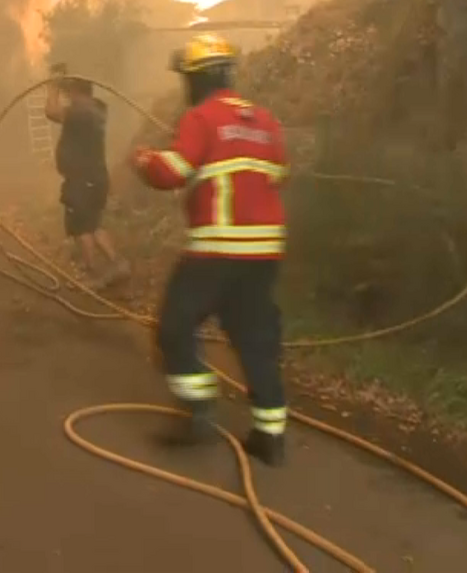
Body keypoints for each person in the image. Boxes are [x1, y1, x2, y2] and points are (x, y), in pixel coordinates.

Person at [130, 34, 289, 467]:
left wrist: (145, 161)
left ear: (197, 79)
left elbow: (173, 172)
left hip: (217, 251)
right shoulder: (266, 121)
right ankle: (270, 434)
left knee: (175, 329)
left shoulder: (201, 118)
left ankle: (199, 413)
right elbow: (277, 174)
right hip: (265, 253)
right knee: (255, 339)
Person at [45, 70, 130, 289]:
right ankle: (118, 264)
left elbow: (51, 112)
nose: (68, 97)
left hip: (81, 179)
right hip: (96, 177)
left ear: (77, 92)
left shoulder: (80, 111)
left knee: (82, 228)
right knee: (93, 225)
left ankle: (93, 274)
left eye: (70, 92)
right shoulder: (97, 108)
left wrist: (53, 86)